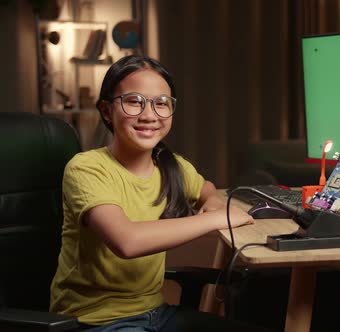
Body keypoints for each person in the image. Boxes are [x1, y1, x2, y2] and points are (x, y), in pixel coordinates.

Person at [49, 55, 257, 331]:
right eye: (134, 101)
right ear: (107, 110)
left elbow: (205, 188)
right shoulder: (86, 169)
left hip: (156, 313)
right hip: (97, 321)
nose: (149, 115)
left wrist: (213, 200)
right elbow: (127, 242)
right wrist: (218, 218)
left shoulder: (171, 165)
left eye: (161, 104)